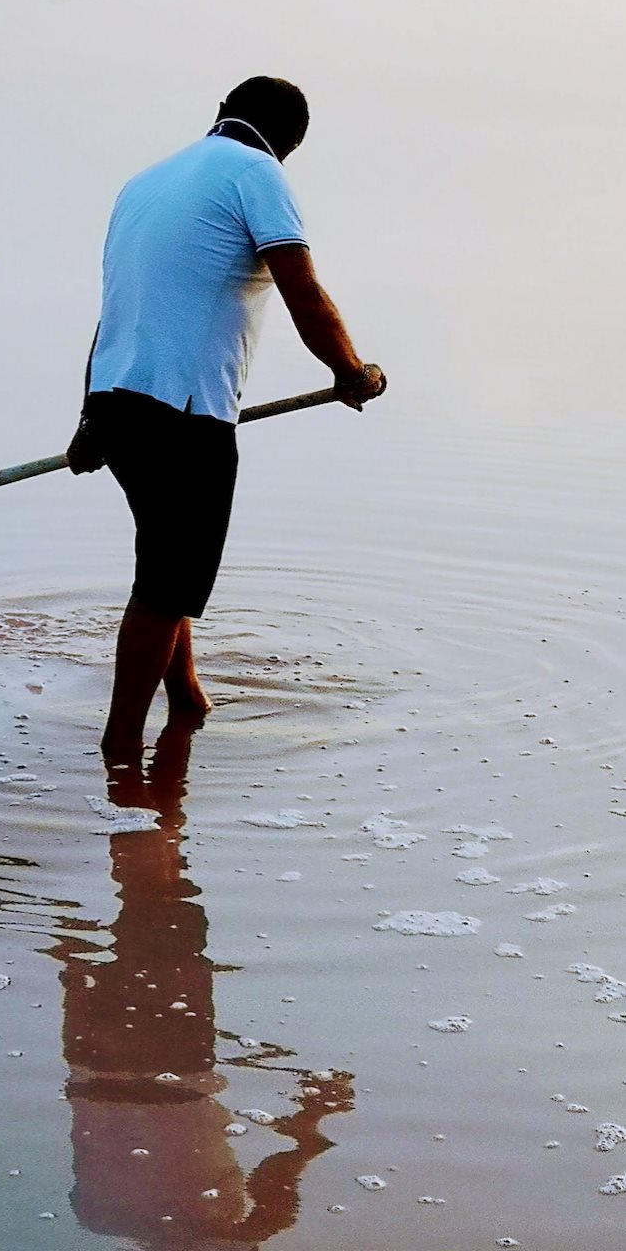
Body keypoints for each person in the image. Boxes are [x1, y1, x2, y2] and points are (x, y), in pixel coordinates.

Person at [67, 76, 385, 760]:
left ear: (220, 113)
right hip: (182, 413)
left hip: (116, 398)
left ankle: (185, 698)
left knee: (168, 561)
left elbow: (116, 307)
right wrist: (350, 371)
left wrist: (90, 416)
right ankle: (121, 747)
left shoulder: (146, 181)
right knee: (164, 583)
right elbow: (301, 289)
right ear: (290, 145)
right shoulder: (257, 171)